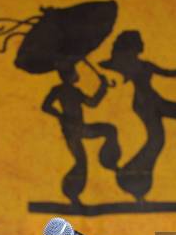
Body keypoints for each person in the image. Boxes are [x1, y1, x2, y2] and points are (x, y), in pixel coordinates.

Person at [100, 30, 176, 210]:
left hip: (155, 101)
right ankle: (131, 180)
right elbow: (107, 65)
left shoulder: (143, 65)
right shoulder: (131, 64)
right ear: (132, 46)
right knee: (157, 140)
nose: (142, 44)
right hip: (144, 104)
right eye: (139, 41)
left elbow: (168, 73)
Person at [42, 64, 121, 206]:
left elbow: (92, 102)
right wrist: (61, 116)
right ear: (69, 75)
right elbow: (46, 106)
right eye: (75, 72)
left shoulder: (74, 91)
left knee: (109, 130)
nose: (77, 74)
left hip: (79, 128)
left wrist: (102, 87)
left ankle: (108, 161)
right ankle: (72, 193)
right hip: (73, 131)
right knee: (82, 161)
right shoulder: (58, 90)